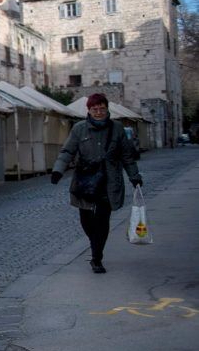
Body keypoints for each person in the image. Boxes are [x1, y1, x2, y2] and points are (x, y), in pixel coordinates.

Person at [50, 93, 142, 273]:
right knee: (86, 220)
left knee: (102, 220)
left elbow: (127, 156)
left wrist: (134, 176)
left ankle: (96, 258)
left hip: (109, 181)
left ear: (107, 109)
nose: (99, 112)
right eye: (95, 109)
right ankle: (95, 243)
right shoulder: (79, 129)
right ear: (89, 110)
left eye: (102, 108)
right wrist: (58, 170)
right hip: (85, 180)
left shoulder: (117, 129)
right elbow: (67, 151)